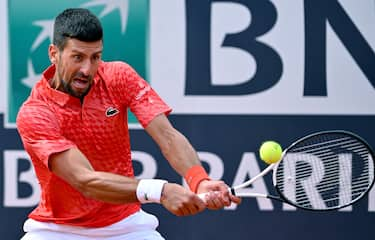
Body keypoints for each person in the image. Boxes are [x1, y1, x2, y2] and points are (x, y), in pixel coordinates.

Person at [16, 8, 241, 240]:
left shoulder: (119, 76)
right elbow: (85, 180)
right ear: (54, 53)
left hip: (127, 226)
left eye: (95, 57)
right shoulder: (35, 112)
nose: (87, 69)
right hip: (57, 231)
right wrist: (160, 191)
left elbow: (167, 136)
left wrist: (199, 179)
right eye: (77, 57)